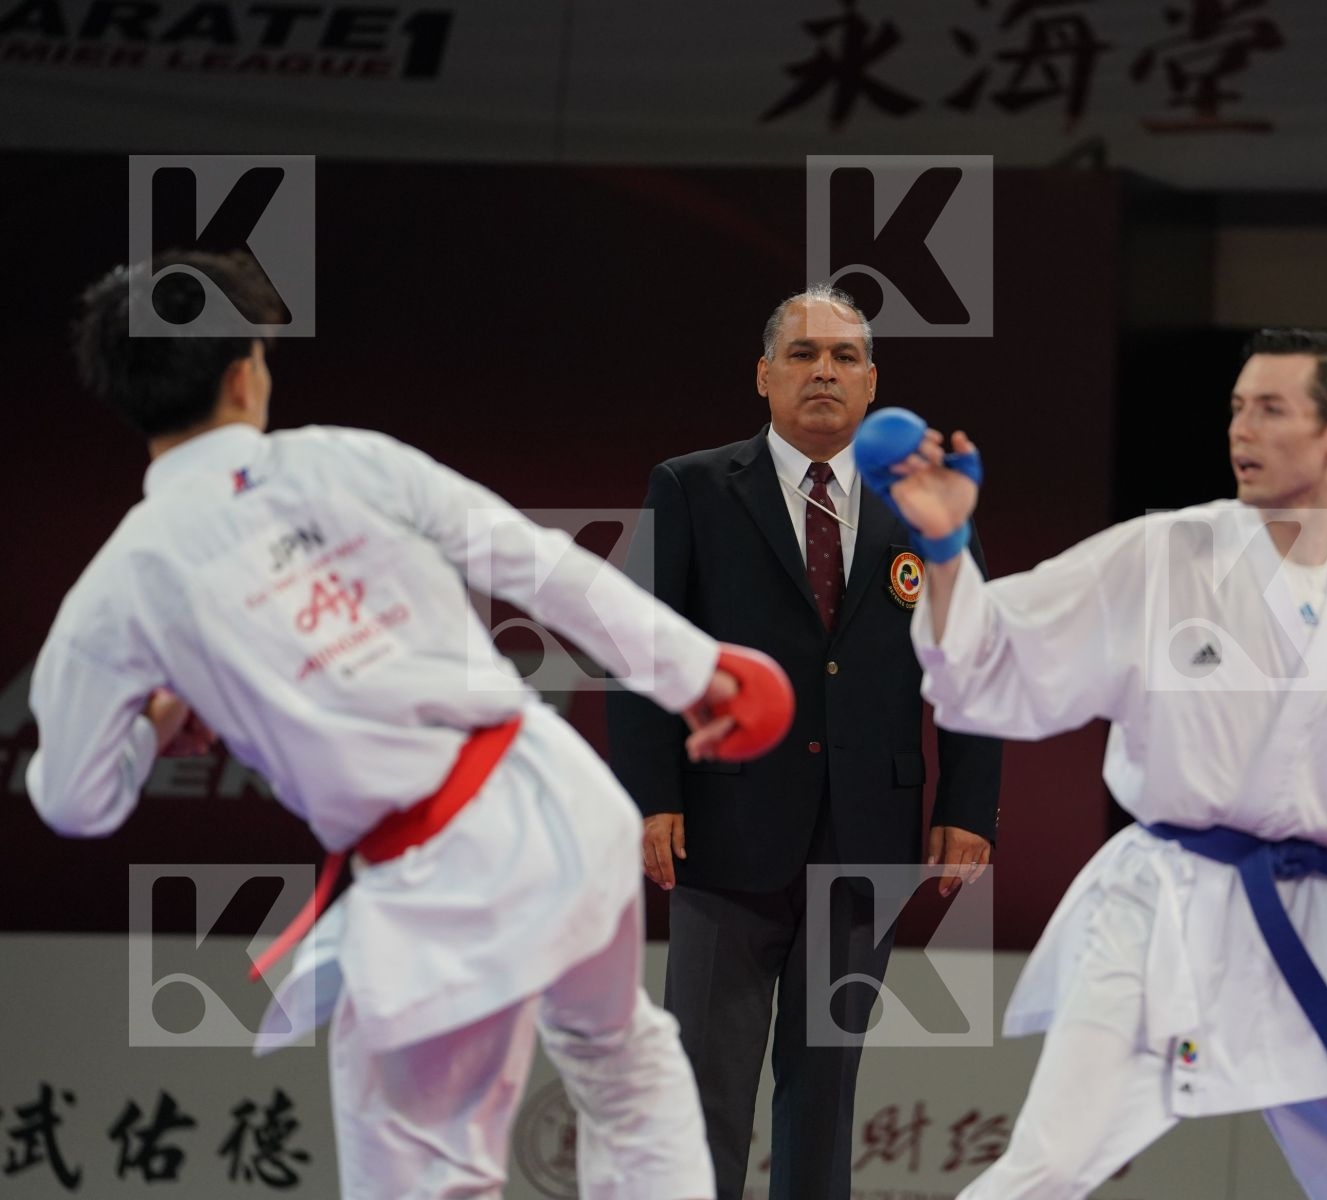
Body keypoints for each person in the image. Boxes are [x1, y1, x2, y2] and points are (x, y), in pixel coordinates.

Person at [27, 250, 787, 1200]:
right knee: (625, 1059)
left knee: (428, 1177)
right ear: (243, 371)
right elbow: (534, 559)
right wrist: (701, 673)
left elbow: (75, 801)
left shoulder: (119, 588)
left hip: (436, 891)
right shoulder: (346, 457)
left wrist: (151, 720)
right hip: (556, 800)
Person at [883, 328, 1327, 1199]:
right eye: (1236, 408)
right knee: (1047, 1169)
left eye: (1271, 410)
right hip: (1164, 912)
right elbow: (988, 662)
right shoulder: (1161, 553)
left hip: (1317, 926)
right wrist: (944, 549)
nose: (1242, 430)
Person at [605, 285, 1004, 1200]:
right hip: (723, 830)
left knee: (826, 1089)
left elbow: (974, 656)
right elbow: (640, 648)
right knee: (705, 1082)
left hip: (868, 834)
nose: (824, 370)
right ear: (763, 376)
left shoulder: (924, 503)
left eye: (846, 357)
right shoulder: (694, 486)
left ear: (873, 384)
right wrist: (650, 797)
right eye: (802, 354)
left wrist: (967, 805)